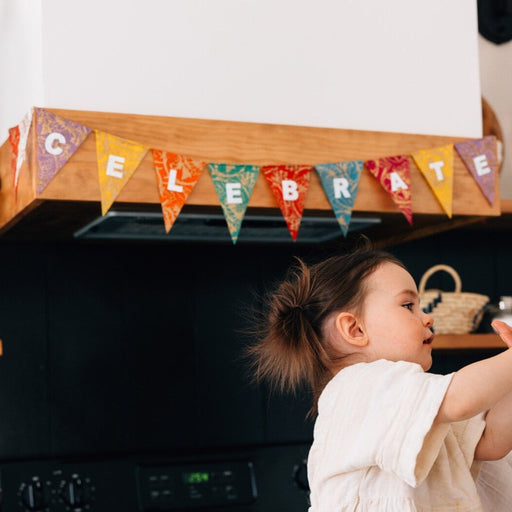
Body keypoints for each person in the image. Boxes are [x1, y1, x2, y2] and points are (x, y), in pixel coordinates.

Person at [246, 239, 512, 511]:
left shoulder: (411, 403)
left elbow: (489, 442)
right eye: (408, 305)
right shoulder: (357, 387)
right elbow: (461, 398)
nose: (427, 317)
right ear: (355, 330)